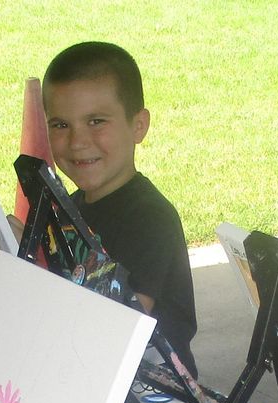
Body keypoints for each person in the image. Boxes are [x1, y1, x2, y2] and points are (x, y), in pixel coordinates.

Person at [42, 41, 198, 373]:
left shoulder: (149, 219)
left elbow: (118, 327)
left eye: (96, 121)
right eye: (60, 125)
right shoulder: (70, 207)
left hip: (156, 391)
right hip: (92, 370)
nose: (78, 141)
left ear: (138, 126)